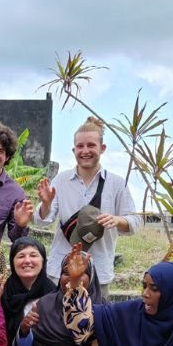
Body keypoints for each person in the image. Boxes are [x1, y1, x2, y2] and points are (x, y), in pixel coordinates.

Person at [35, 117, 141, 298]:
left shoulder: (116, 183)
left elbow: (135, 222)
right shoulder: (61, 180)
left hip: (98, 271)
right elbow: (43, 220)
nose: (85, 151)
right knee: (57, 324)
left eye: (91, 145)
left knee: (95, 324)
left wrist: (117, 220)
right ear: (73, 150)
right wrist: (45, 204)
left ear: (102, 148)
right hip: (61, 270)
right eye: (80, 146)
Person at [15, 250, 103, 346]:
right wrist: (24, 331)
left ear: (91, 278)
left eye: (81, 273)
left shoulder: (103, 311)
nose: (73, 277)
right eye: (66, 273)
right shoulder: (44, 305)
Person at [1, 236, 58, 346]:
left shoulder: (53, 293)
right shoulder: (4, 293)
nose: (27, 261)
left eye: (33, 255)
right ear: (12, 262)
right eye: (21, 256)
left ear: (43, 261)